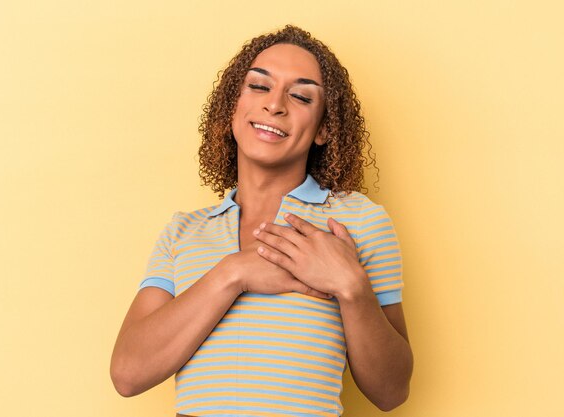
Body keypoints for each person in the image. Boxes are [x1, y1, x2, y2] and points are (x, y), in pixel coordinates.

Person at [111, 25, 413, 417]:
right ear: (232, 107)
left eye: (301, 95)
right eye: (258, 87)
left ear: (324, 128)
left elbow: (391, 392)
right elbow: (128, 374)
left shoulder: (357, 222)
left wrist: (352, 287)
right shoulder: (184, 232)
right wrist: (234, 273)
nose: (275, 105)